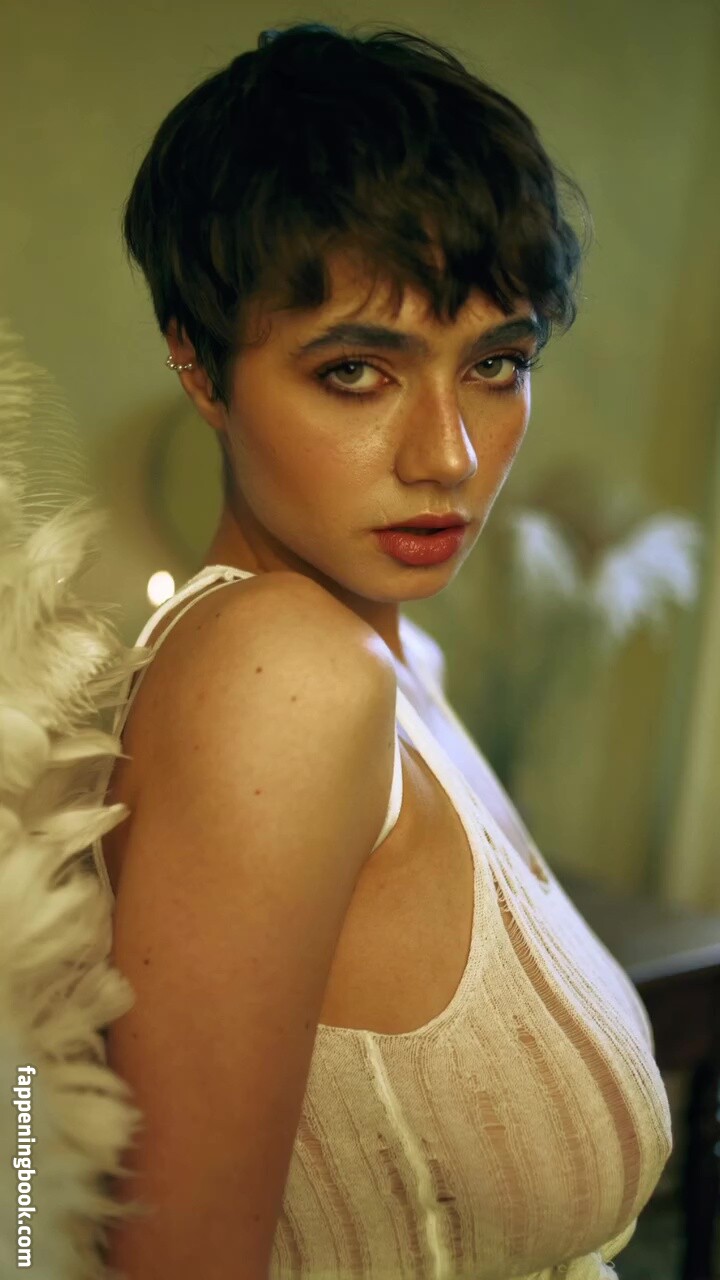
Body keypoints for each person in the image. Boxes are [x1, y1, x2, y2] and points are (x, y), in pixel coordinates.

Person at [92, 22, 672, 1280]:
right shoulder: (285, 676)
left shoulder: (389, 666)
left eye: (498, 363)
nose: (447, 454)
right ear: (199, 365)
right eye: (357, 370)